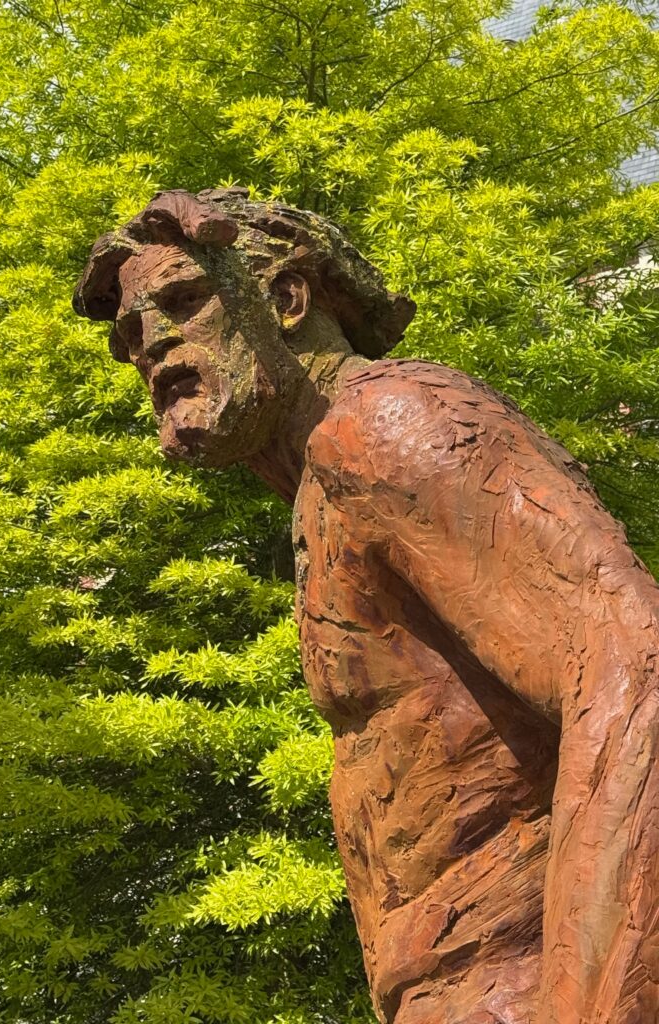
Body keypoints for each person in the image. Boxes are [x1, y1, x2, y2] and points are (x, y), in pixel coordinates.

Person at [74, 188, 659, 1024]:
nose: (153, 344)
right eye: (132, 336)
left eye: (184, 301)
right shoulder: (320, 485)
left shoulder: (387, 424)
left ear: (287, 299)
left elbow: (634, 674)